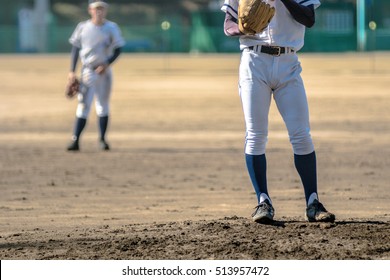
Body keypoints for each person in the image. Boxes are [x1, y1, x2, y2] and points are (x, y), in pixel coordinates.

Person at [221, 0, 335, 223]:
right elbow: (228, 25)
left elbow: (308, 19)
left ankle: (313, 202)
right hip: (254, 61)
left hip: (288, 63)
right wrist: (242, 29)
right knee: (255, 134)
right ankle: (263, 202)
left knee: (301, 134)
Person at [67, 0, 125, 151]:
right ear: (90, 10)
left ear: (105, 11)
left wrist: (107, 63)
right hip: (87, 70)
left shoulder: (111, 27)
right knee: (83, 105)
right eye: (96, 8)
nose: (99, 11)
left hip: (104, 72)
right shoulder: (82, 27)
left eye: (102, 9)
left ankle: (102, 139)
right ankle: (76, 140)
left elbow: (118, 49)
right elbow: (75, 49)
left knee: (103, 105)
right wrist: (72, 71)